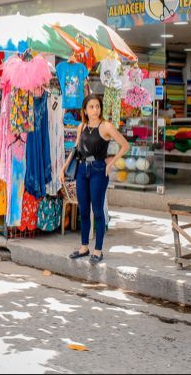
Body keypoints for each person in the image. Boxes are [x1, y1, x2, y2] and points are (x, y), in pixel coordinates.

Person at [60, 94, 130, 266]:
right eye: (91, 107)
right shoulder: (81, 126)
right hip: (82, 170)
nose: (95, 110)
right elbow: (76, 149)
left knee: (97, 211)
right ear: (85, 110)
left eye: (97, 106)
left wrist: (110, 163)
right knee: (83, 209)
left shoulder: (106, 126)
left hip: (99, 170)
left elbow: (125, 145)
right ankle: (84, 247)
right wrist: (64, 166)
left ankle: (98, 249)